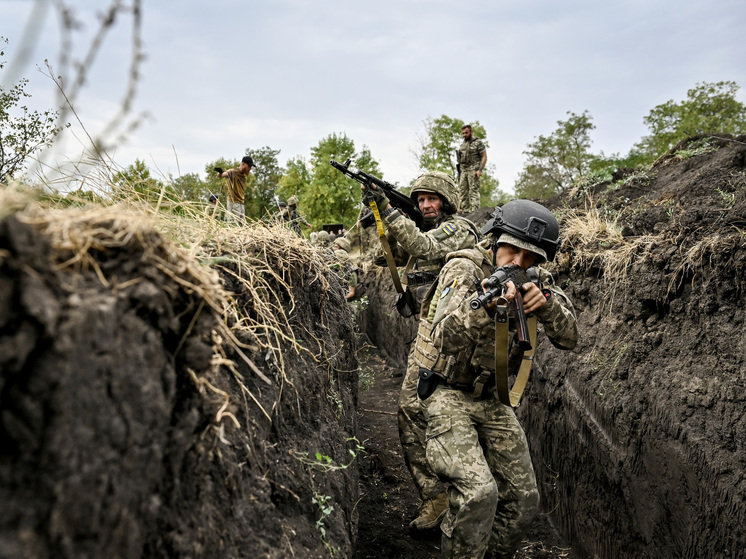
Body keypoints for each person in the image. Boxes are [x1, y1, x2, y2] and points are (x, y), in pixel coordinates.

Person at [417, 200, 578, 559]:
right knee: (478, 494)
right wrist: (485, 311)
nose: (518, 264)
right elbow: (442, 337)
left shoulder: (539, 281)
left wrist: (546, 304)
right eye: (512, 251)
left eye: (530, 257)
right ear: (495, 240)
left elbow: (571, 338)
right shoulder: (463, 269)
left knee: (524, 500)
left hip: (494, 399)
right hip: (449, 393)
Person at [361, 171, 480, 533]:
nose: (427, 205)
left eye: (433, 199)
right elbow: (381, 257)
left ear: (447, 200)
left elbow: (424, 249)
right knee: (411, 411)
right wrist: (374, 216)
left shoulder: (460, 229)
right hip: (429, 337)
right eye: (421, 199)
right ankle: (436, 498)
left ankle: (472, 496)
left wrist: (388, 207)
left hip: (462, 343)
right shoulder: (420, 228)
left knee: (466, 420)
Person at [215, 155, 254, 224]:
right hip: (233, 202)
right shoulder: (233, 172)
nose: (250, 168)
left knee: (242, 224)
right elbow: (223, 175)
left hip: (241, 202)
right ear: (243, 164)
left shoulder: (244, 175)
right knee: (233, 225)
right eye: (249, 166)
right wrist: (220, 173)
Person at [457, 124, 487, 213]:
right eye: (463, 133)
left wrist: (480, 170)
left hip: (473, 170)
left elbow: (484, 156)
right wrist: (459, 173)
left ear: (471, 132)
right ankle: (465, 212)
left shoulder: (478, 142)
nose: (464, 135)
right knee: (463, 192)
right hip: (463, 170)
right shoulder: (463, 144)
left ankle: (475, 212)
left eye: (466, 133)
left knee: (473, 192)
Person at [332, 236, 358, 302]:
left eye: (336, 246)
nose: (334, 247)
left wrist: (342, 299)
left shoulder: (351, 271)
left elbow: (351, 292)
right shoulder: (330, 262)